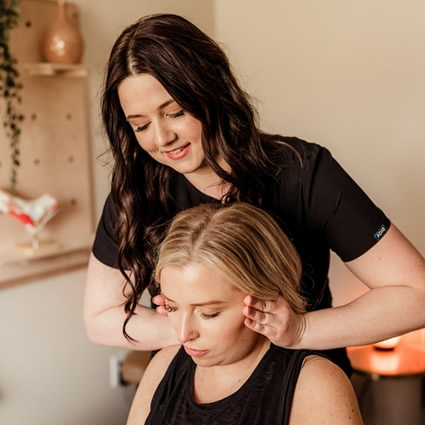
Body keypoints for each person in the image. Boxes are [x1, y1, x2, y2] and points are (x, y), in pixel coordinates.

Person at [83, 13, 425, 376]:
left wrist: (301, 330)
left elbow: (416, 294)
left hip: (297, 380)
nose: (160, 138)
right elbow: (100, 318)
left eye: (176, 112)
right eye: (141, 125)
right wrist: (195, 325)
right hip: (192, 388)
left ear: (210, 91)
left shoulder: (301, 173)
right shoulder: (137, 193)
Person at [126, 202, 364, 425]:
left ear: (264, 298)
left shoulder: (315, 385)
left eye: (209, 313)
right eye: (172, 307)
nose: (182, 334)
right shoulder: (164, 365)